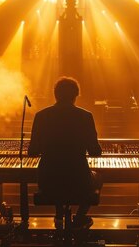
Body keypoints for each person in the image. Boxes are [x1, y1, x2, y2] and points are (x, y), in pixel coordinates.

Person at [28, 77, 102, 229]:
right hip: (78, 179)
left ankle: (59, 215)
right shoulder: (85, 116)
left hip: (48, 180)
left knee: (58, 178)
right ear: (76, 95)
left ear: (55, 95)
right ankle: (80, 217)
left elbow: (32, 151)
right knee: (97, 177)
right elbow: (95, 152)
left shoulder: (41, 116)